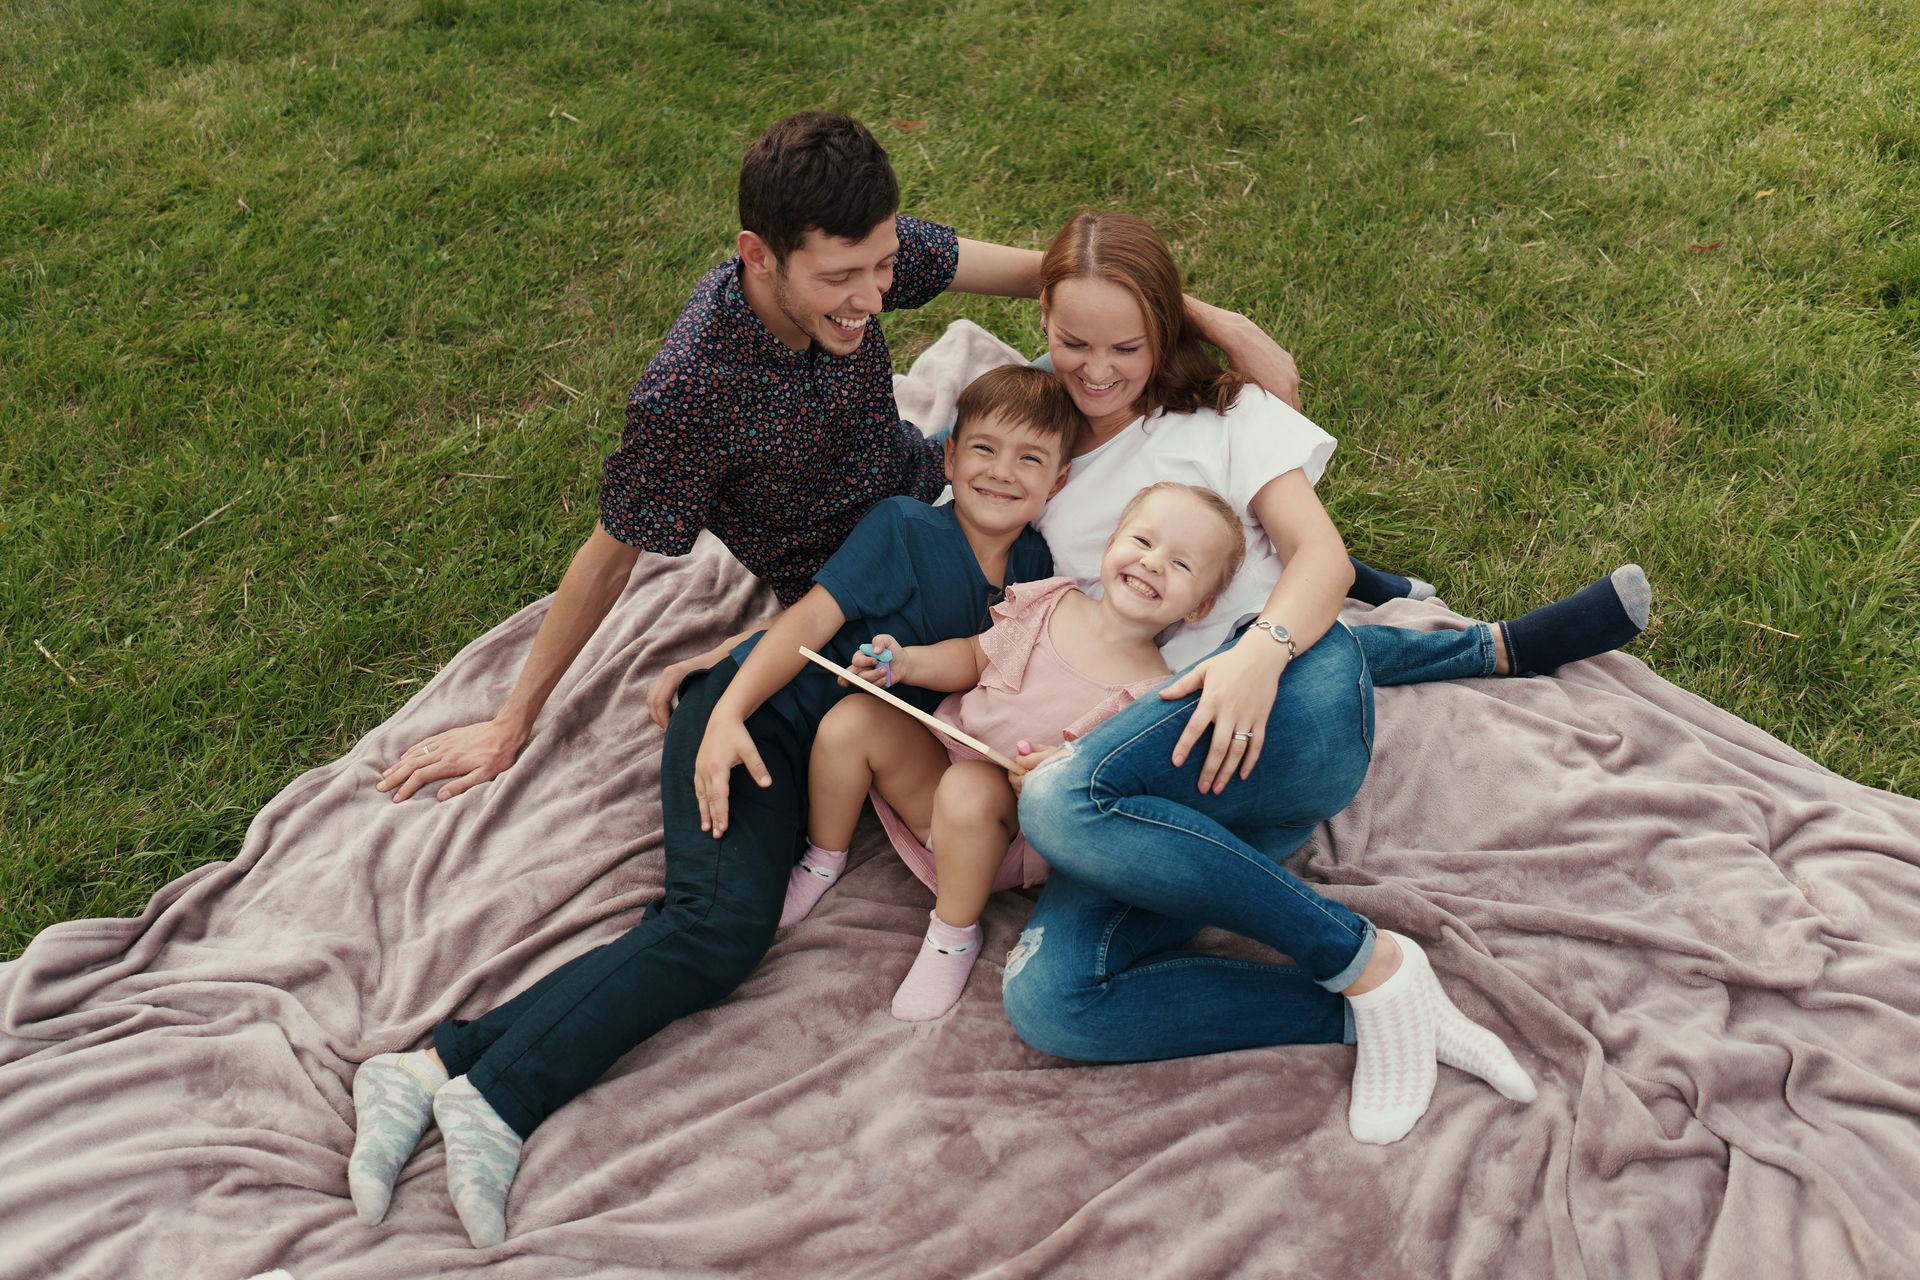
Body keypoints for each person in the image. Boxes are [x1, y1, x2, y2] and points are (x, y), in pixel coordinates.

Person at [373, 111, 1321, 809]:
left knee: (1207, 554)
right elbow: (609, 555)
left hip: (951, 511)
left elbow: (1061, 272)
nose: (874, 298)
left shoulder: (861, 261)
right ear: (759, 256)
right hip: (869, 597)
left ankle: (1357, 589)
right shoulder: (691, 392)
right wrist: (513, 720)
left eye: (882, 269)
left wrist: (1203, 314)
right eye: (844, 281)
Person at [344, 365, 1068, 1247]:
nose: (1002, 472)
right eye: (983, 450)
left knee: (693, 926)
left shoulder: (1033, 571)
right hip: (754, 726)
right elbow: (806, 625)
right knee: (718, 930)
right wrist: (724, 706)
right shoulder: (904, 527)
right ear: (947, 456)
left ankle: (430, 1068)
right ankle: (499, 1100)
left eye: (1030, 459)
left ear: (1058, 480)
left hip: (831, 766)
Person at [998, 212, 1652, 1145]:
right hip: (1172, 775)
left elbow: (1322, 561)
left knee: (1064, 802)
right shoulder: (1039, 464)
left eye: (1127, 344)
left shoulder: (1222, 415)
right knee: (1051, 1002)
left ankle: (1368, 956)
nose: (1096, 370)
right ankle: (1376, 1003)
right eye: (1072, 343)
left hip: (1289, 698)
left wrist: (1256, 657)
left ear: (1165, 331)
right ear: (1042, 327)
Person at [788, 477, 1250, 1022]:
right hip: (935, 779)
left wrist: (1059, 773)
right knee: (851, 719)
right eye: (1143, 542)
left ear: (1199, 608)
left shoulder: (1151, 698)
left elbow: (1112, 793)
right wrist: (908, 664)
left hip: (1003, 830)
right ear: (1111, 545)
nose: (1152, 563)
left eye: (1181, 565)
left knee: (970, 787)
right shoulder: (1050, 602)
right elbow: (973, 658)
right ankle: (822, 858)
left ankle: (953, 934)